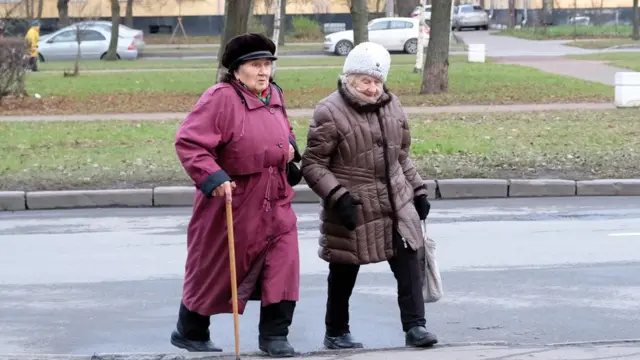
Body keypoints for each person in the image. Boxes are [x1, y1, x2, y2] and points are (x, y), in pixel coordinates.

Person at [171, 33, 303, 358]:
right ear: (237, 70)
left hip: (276, 201)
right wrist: (213, 177)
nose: (263, 72)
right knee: (215, 268)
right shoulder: (221, 98)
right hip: (233, 201)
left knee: (284, 263)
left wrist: (291, 153)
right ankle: (190, 330)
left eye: (267, 65)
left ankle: (275, 336)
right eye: (255, 65)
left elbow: (285, 133)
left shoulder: (274, 94)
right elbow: (190, 142)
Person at [301, 42, 438, 350]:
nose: (372, 88)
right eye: (366, 80)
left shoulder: (393, 106)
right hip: (353, 203)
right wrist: (338, 197)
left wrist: (418, 190)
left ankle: (416, 326)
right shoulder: (329, 111)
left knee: (409, 260)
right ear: (349, 77)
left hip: (396, 200)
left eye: (377, 81)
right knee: (344, 269)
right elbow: (312, 164)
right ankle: (336, 332)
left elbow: (401, 156)